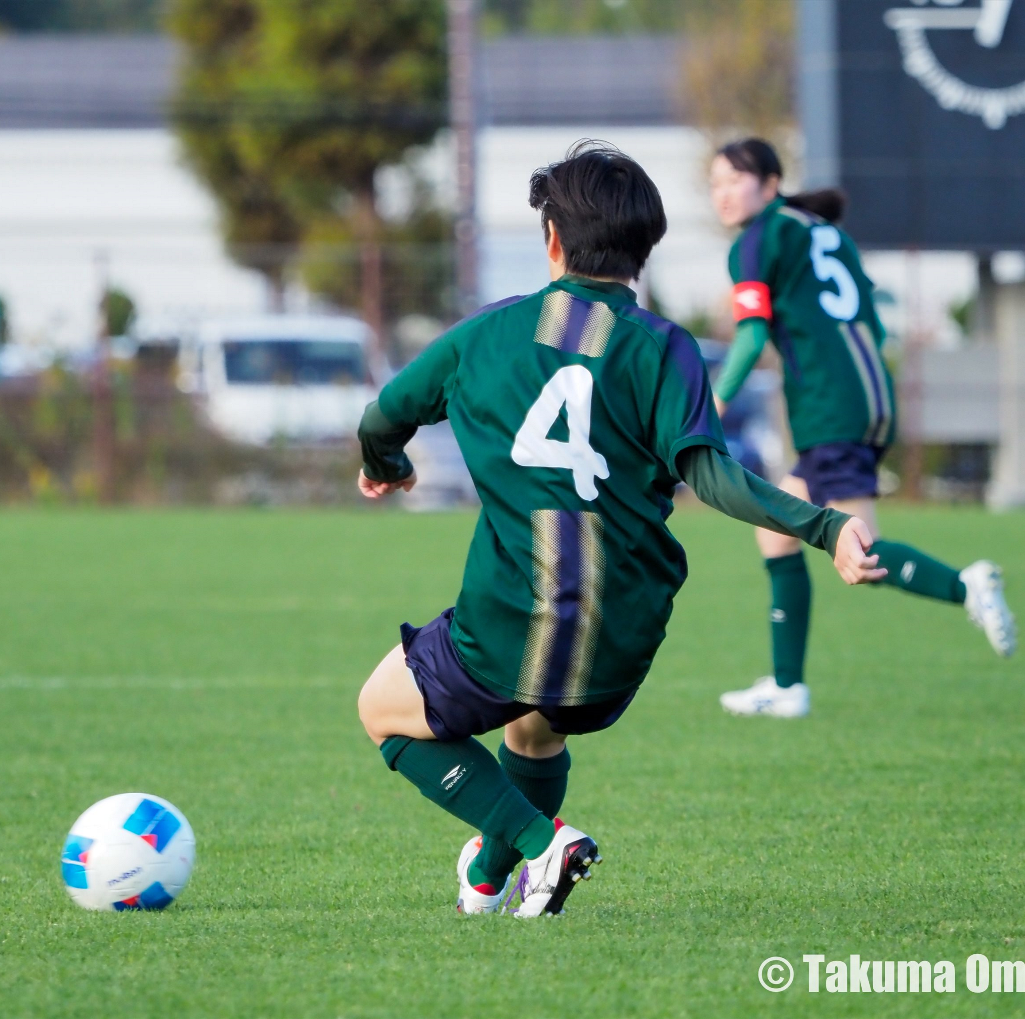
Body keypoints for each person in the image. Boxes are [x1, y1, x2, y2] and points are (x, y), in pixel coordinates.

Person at [354, 141, 886, 918]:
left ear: (552, 241)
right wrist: (825, 524)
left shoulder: (485, 336)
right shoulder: (666, 348)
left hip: (510, 619)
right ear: (644, 251)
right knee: (535, 729)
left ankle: (541, 843)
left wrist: (387, 463)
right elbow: (713, 476)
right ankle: (493, 876)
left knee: (381, 707)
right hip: (621, 633)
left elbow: (380, 417)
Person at [707, 137, 1016, 720]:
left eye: (734, 180)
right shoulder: (826, 232)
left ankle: (965, 584)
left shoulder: (757, 239)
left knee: (860, 551)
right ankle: (787, 685)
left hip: (830, 407)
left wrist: (715, 400)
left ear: (771, 184)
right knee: (776, 528)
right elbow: (872, 327)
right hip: (870, 395)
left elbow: (750, 335)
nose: (722, 193)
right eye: (715, 182)